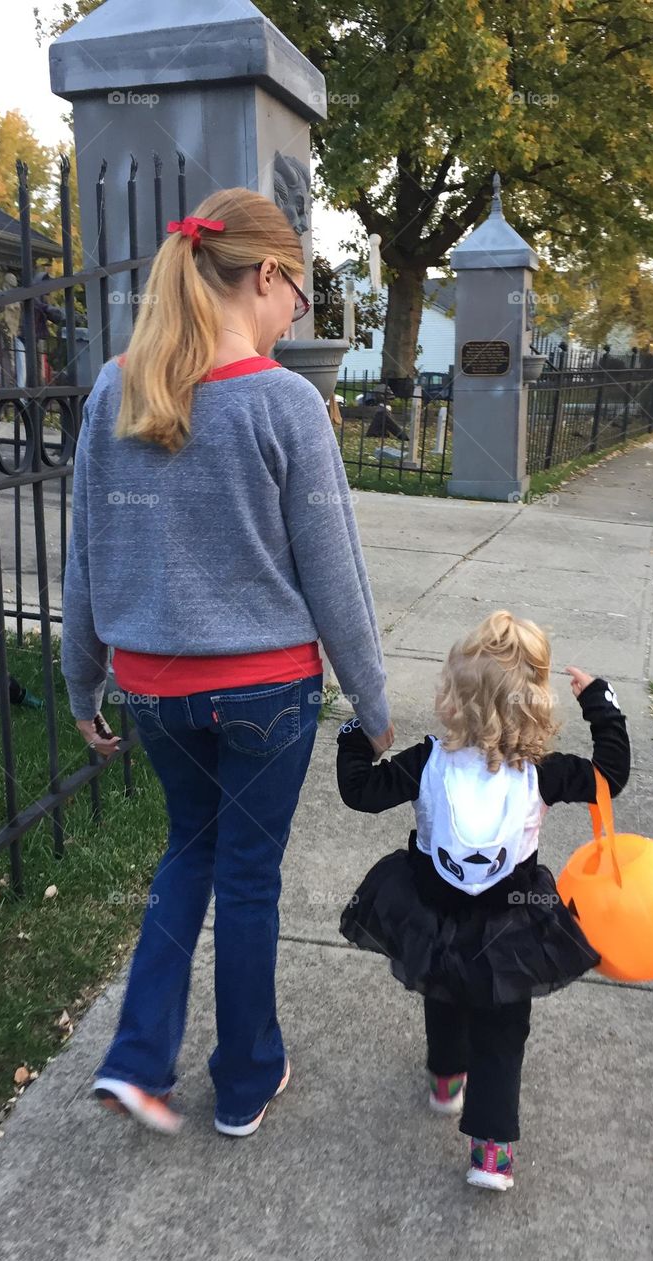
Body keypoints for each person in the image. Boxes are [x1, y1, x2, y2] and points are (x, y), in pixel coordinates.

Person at [61, 188, 394, 1139]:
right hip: (267, 696)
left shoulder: (113, 391)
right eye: (300, 288)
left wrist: (82, 682)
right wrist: (373, 702)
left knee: (187, 854)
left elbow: (85, 558)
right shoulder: (286, 404)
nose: (300, 311)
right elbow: (335, 573)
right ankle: (245, 1080)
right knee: (248, 877)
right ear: (263, 276)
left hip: (156, 695)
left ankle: (137, 1060)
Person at [336, 610, 630, 1191]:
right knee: (502, 1029)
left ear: (451, 697)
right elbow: (609, 777)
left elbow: (360, 792)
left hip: (433, 914)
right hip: (510, 927)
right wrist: (601, 702)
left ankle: (447, 1078)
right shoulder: (541, 772)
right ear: (537, 705)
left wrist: (354, 736)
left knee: (441, 989)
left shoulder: (426, 761)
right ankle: (491, 1152)